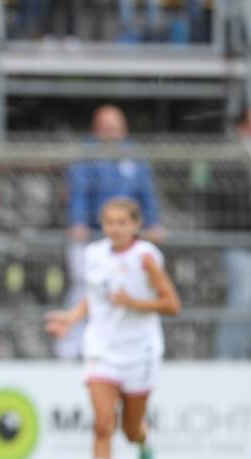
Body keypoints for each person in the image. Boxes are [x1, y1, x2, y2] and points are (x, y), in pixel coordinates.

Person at [46, 198, 181, 459]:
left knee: (130, 430)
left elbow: (172, 305)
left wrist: (133, 302)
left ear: (135, 224)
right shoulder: (94, 255)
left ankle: (144, 441)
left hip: (140, 351)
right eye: (109, 222)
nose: (116, 228)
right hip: (101, 349)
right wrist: (71, 318)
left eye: (122, 222)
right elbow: (93, 298)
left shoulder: (146, 257)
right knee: (104, 424)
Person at [58, 104, 165, 360]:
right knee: (84, 287)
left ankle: (119, 349)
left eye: (116, 128)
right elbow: (79, 193)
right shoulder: (87, 156)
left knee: (129, 291)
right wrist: (79, 222)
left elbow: (146, 194)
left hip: (127, 241)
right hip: (94, 237)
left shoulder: (133, 156)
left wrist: (153, 223)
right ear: (96, 129)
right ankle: (68, 351)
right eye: (106, 128)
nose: (111, 133)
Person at [212, 108, 251, 359]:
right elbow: (222, 199)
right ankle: (227, 359)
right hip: (238, 241)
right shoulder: (229, 158)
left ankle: (245, 355)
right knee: (242, 298)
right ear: (241, 127)